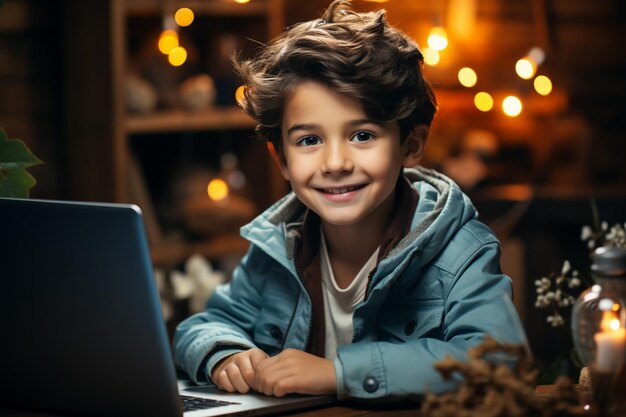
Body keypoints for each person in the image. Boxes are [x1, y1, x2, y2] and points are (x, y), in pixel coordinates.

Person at [173, 0, 527, 401]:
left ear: (411, 146)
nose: (336, 163)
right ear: (282, 160)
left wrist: (337, 373)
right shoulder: (278, 247)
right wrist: (224, 354)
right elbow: (204, 324)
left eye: (362, 135)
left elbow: (500, 362)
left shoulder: (459, 251)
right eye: (309, 140)